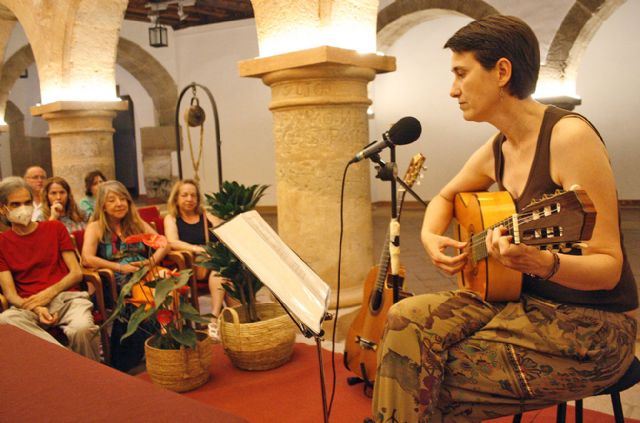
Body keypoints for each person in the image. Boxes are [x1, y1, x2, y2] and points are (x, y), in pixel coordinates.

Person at [372, 15, 637, 422]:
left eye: (461, 73)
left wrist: (541, 263)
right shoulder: (498, 146)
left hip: (593, 327)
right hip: (517, 301)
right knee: (403, 318)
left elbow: (608, 268)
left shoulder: (568, 137)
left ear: (501, 72)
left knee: (416, 372)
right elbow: (445, 196)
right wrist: (429, 236)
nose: (452, 89)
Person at [0, 176, 100, 361]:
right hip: (29, 306)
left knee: (82, 329)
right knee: (5, 321)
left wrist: (49, 293)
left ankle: (89, 373)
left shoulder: (54, 228)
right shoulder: (2, 243)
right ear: (3, 208)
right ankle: (68, 361)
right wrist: (37, 307)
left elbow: (76, 273)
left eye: (27, 202)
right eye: (16, 204)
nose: (23, 208)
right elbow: (10, 294)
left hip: (67, 299)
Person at [82, 180, 170, 371]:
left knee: (168, 283)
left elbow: (164, 244)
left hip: (144, 271)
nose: (119, 204)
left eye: (123, 199)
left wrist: (150, 262)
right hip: (113, 280)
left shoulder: (136, 222)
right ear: (102, 205)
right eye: (112, 200)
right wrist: (119, 267)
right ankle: (132, 355)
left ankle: (164, 344)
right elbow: (87, 258)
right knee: (139, 293)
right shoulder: (95, 227)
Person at [164, 179, 226, 341]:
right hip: (191, 264)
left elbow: (223, 233)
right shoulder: (171, 218)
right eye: (184, 195)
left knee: (224, 274)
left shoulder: (206, 215)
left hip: (214, 264)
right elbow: (172, 242)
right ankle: (229, 320)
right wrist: (197, 248)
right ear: (176, 198)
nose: (189, 199)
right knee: (224, 272)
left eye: (193, 195)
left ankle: (215, 319)